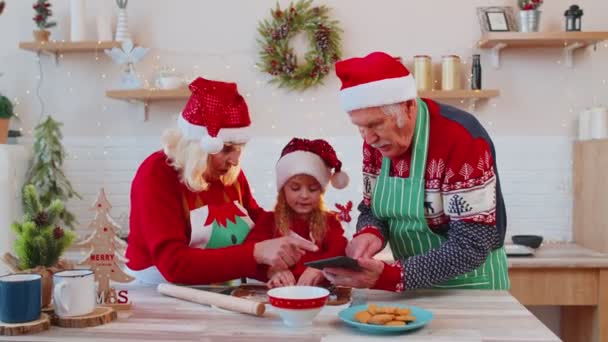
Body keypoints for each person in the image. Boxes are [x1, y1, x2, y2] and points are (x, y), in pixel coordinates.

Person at [323, 51, 509, 291]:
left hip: (470, 287)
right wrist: (370, 234)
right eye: (360, 127)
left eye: (375, 124)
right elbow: (372, 210)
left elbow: (471, 245)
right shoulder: (376, 144)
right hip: (412, 288)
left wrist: (390, 277)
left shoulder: (461, 138)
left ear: (409, 107)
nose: (368, 139)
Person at [125, 77, 317, 285]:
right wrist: (257, 254)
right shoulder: (157, 173)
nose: (235, 160)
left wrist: (274, 261)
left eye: (239, 149)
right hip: (156, 290)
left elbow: (255, 226)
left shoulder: (227, 173)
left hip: (216, 285)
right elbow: (174, 265)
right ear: (198, 146)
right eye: (226, 149)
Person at [245, 138, 349, 288]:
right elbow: (250, 253)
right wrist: (271, 271)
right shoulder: (268, 221)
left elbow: (340, 248)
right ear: (283, 190)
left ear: (321, 191)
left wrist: (320, 267)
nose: (304, 195)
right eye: (295, 188)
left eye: (312, 189)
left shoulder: (330, 221)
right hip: (279, 295)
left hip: (319, 295)